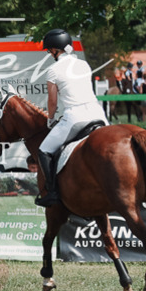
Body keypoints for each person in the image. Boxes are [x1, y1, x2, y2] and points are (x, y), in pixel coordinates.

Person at [35, 29, 109, 207]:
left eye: (49, 50)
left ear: (55, 50)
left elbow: (52, 101)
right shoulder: (84, 65)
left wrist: (50, 119)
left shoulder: (52, 70)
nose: (49, 54)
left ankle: (52, 192)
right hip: (98, 114)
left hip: (75, 118)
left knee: (43, 151)